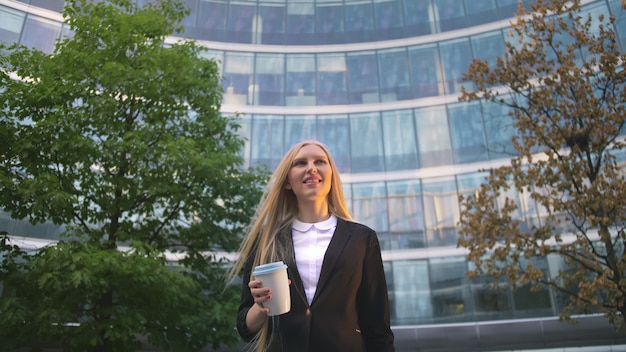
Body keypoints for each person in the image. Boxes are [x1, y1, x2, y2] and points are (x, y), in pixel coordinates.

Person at [227, 140, 395, 352]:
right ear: (288, 181)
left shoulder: (362, 239)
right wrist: (260, 308)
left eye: (320, 161)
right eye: (300, 163)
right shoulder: (267, 240)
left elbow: (377, 326)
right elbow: (245, 327)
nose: (311, 167)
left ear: (331, 175)